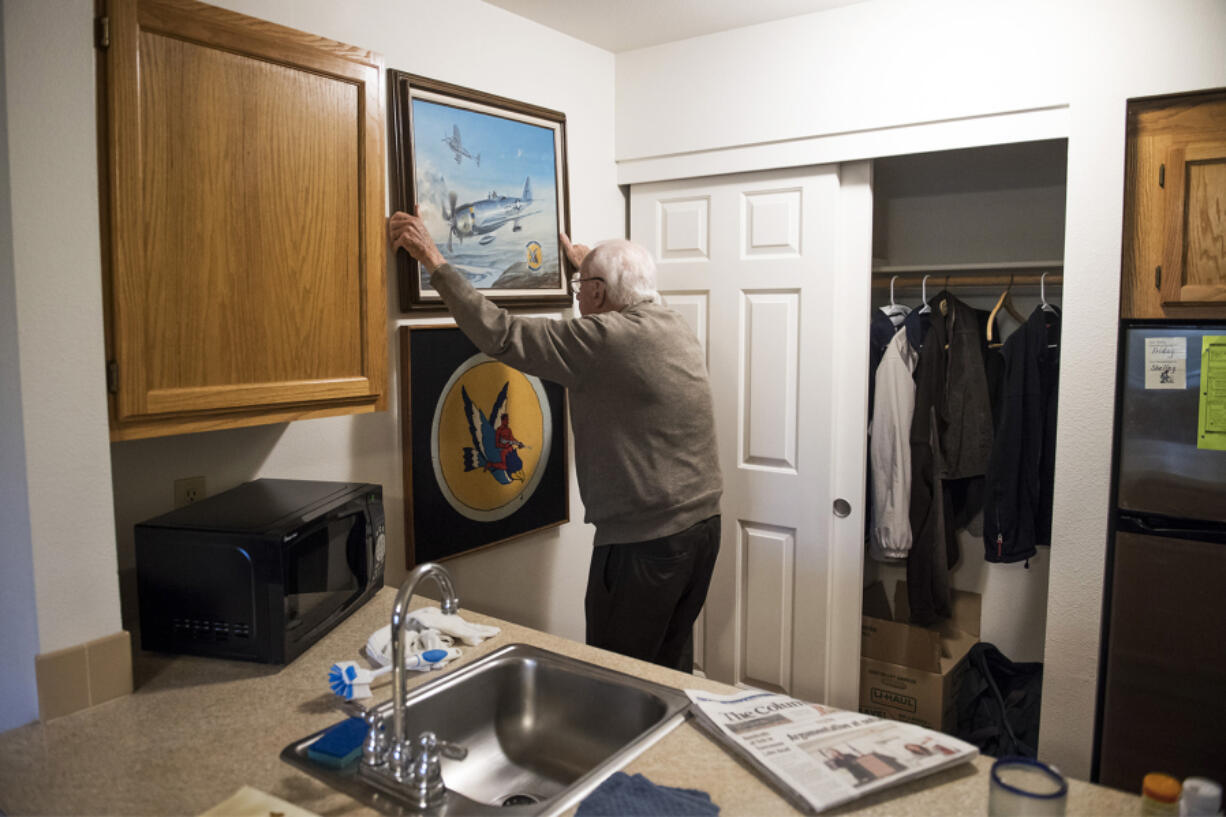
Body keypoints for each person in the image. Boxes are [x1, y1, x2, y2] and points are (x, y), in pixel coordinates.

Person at [389, 209, 722, 672]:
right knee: (665, 667)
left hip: (647, 545)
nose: (578, 296)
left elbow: (501, 334)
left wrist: (433, 259)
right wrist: (586, 269)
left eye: (582, 289)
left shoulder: (607, 340)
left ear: (600, 292)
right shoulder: (670, 324)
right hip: (701, 531)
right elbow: (609, 307)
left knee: (616, 676)